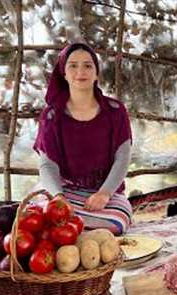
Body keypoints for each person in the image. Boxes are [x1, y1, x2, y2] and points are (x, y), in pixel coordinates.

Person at [33, 43, 133, 235]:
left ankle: (64, 228)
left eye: (88, 65)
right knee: (33, 210)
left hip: (106, 193)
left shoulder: (115, 111)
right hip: (64, 190)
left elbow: (123, 157)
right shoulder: (51, 116)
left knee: (118, 220)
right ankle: (73, 227)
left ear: (96, 73)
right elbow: (47, 165)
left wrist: (104, 193)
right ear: (64, 72)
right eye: (73, 65)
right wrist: (58, 198)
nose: (81, 71)